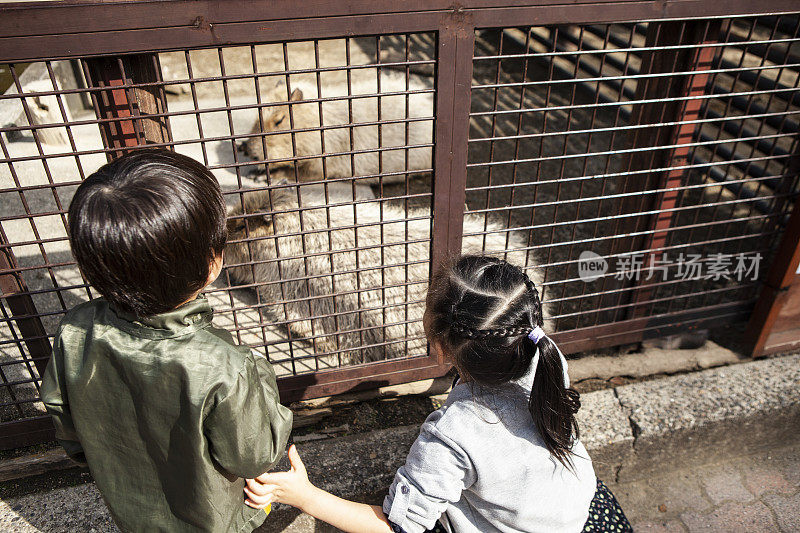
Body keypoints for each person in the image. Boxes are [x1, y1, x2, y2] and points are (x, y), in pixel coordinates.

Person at [243, 255, 632, 532]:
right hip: (587, 514)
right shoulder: (545, 353)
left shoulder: (454, 433)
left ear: (442, 348)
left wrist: (305, 495)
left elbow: (400, 527)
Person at [40, 149, 293, 532]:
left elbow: (67, 424)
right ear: (213, 262)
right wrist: (256, 369)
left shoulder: (74, 329)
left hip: (131, 510)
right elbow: (254, 455)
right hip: (215, 519)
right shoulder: (224, 366)